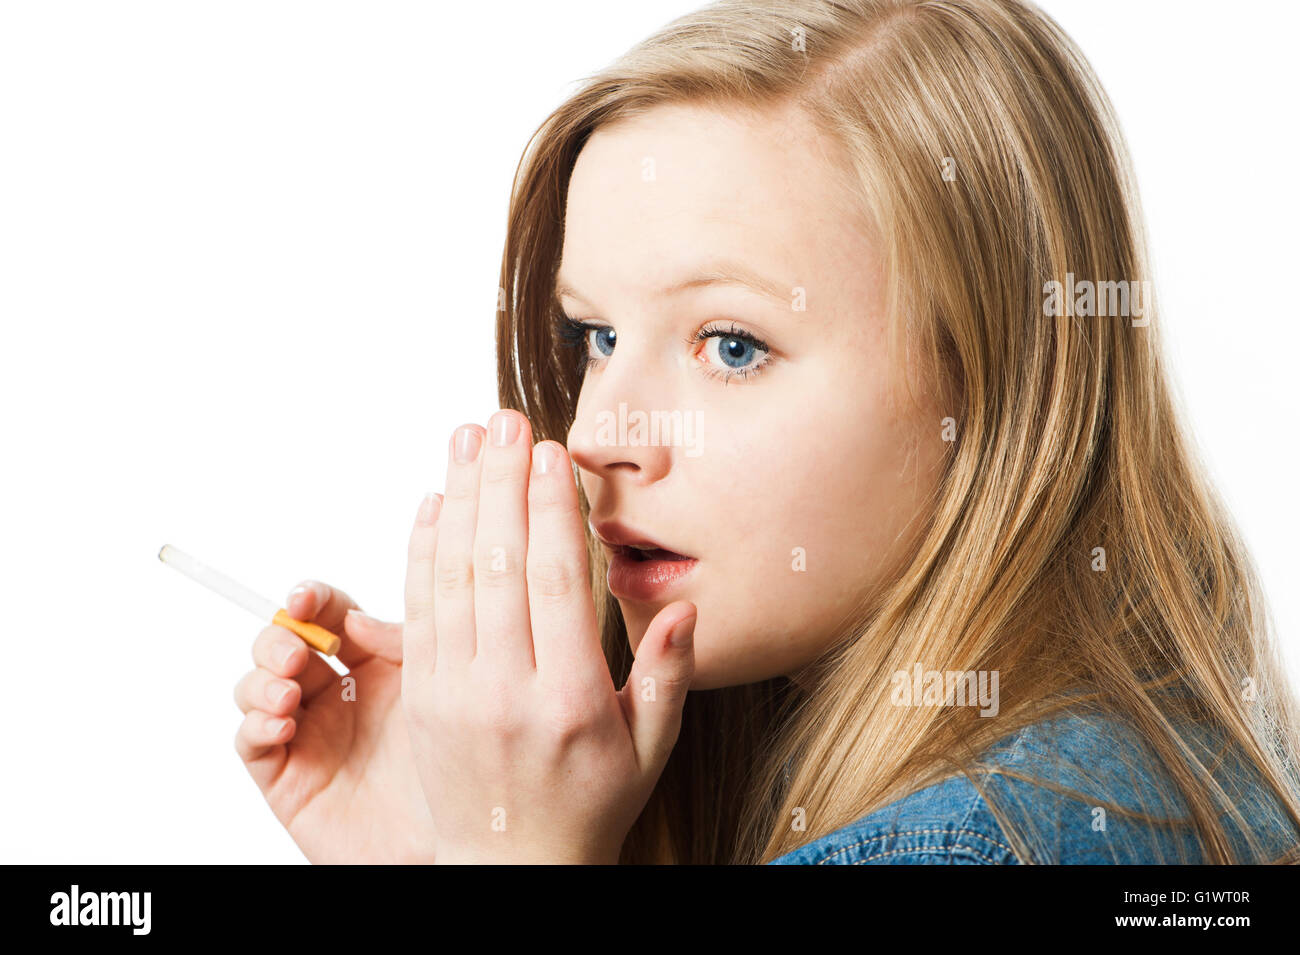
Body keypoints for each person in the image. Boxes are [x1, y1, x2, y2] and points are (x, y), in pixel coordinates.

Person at [233, 0, 1300, 864]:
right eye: (595, 334)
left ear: (987, 390)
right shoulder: (1112, 770)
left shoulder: (967, 843)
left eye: (731, 345)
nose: (603, 431)